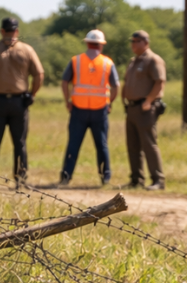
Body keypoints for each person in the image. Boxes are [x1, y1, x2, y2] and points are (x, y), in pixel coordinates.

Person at [0, 17, 43, 187]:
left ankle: (20, 179)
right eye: (7, 31)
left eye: (13, 31)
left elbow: (39, 74)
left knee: (19, 143)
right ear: (2, 31)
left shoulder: (26, 50)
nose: (11, 35)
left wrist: (31, 95)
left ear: (17, 32)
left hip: (19, 102)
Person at [59, 29, 119, 187]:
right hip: (100, 111)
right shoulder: (108, 62)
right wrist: (109, 102)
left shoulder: (75, 61)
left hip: (78, 109)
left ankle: (66, 177)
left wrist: (68, 100)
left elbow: (64, 81)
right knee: (102, 145)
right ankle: (105, 178)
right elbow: (116, 87)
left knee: (73, 145)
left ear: (87, 42)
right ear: (101, 45)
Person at [120, 30, 166, 190]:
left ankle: (158, 180)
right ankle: (136, 179)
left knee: (149, 144)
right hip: (132, 108)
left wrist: (148, 101)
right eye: (131, 41)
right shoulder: (134, 61)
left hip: (145, 108)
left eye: (136, 41)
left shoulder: (153, 60)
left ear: (146, 42)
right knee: (132, 146)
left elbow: (159, 82)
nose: (133, 44)